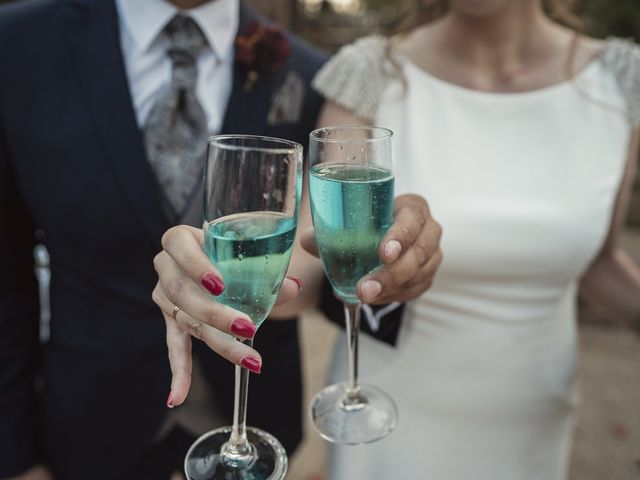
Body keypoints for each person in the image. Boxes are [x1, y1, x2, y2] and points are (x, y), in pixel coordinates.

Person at [0, 0, 443, 479]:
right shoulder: (16, 44)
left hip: (256, 431)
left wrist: (376, 255)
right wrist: (15, 456)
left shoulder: (308, 71)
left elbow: (310, 264)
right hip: (85, 426)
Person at [308, 0, 640, 478]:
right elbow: (310, 256)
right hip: (384, 415)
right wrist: (212, 274)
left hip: (534, 417)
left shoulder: (617, 80)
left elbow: (599, 260)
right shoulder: (370, 72)